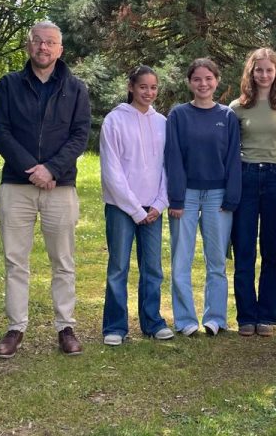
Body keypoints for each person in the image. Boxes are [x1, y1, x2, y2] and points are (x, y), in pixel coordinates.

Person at [0, 21, 91, 359]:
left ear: (60, 49)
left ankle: (65, 327)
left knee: (63, 261)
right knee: (15, 260)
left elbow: (80, 135)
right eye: (37, 41)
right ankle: (15, 328)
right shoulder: (9, 85)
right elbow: (2, 132)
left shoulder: (76, 89)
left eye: (50, 42)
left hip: (60, 186)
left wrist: (52, 169)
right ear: (28, 45)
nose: (43, 47)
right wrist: (32, 170)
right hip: (16, 185)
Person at [165, 58, 242, 337]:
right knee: (181, 260)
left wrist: (231, 197)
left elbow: (233, 158)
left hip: (218, 197)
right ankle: (185, 320)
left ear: (217, 81)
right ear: (189, 82)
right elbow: (173, 157)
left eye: (208, 78)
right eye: (197, 79)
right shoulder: (178, 115)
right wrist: (175, 199)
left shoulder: (227, 116)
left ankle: (215, 318)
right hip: (185, 195)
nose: (203, 84)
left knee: (216, 261)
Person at [99, 65, 175, 346]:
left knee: (152, 268)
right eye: (143, 87)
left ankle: (152, 322)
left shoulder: (162, 122)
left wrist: (160, 203)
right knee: (119, 267)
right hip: (122, 207)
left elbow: (168, 167)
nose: (149, 92)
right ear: (131, 87)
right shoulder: (114, 120)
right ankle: (115, 326)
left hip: (153, 209)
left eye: (153, 87)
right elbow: (112, 170)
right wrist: (134, 208)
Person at [229, 48, 276, 337]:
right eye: (259, 70)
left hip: (275, 178)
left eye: (269, 70)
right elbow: (231, 151)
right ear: (251, 72)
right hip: (245, 176)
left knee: (273, 250)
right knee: (244, 248)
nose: (264, 75)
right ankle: (246, 315)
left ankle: (267, 315)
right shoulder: (237, 107)